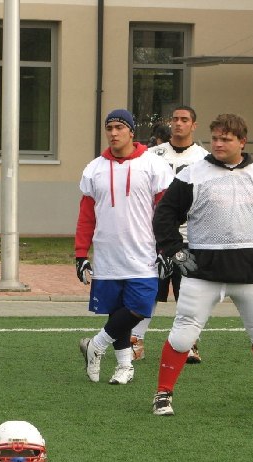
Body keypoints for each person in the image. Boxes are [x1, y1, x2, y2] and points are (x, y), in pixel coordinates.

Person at [151, 113, 253, 417]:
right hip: (203, 271)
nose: (218, 143)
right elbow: (164, 215)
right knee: (183, 334)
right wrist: (176, 251)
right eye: (215, 138)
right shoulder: (192, 174)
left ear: (242, 141)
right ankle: (163, 394)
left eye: (225, 139)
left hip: (251, 274)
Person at [75, 109, 174, 385]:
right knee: (117, 310)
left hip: (143, 253)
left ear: (131, 131)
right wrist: (81, 254)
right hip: (107, 254)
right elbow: (86, 216)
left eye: (119, 127)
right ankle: (124, 367)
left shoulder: (154, 164)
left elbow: (165, 213)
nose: (113, 133)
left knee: (140, 306)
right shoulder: (94, 168)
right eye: (109, 128)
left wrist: (165, 248)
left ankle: (95, 345)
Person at [131, 106, 209, 364]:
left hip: (191, 236)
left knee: (189, 292)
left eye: (184, 119)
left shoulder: (204, 158)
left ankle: (189, 343)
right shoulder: (152, 155)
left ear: (193, 125)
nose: (178, 123)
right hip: (155, 236)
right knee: (149, 290)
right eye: (175, 119)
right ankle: (135, 340)